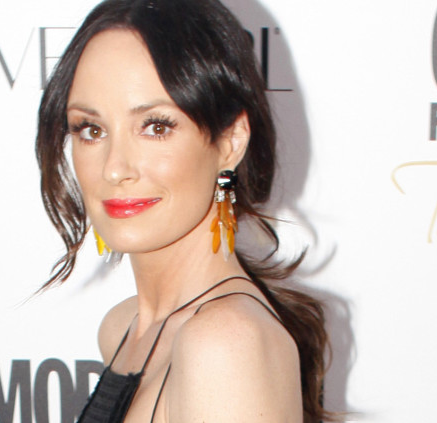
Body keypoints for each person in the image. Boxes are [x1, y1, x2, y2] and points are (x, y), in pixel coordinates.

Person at [36, 0, 332, 421]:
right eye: (92, 129)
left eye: (156, 127)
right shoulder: (124, 328)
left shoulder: (226, 343)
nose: (114, 168)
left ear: (230, 141)